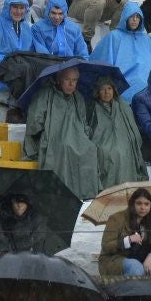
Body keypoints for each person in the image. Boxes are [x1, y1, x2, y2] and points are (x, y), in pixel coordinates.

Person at [23, 65, 101, 200]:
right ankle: (62, 193)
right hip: (53, 137)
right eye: (67, 79)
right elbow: (34, 123)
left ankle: (86, 194)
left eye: (75, 80)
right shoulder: (45, 94)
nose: (71, 84)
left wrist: (84, 135)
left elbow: (83, 123)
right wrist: (49, 131)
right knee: (65, 147)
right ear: (58, 80)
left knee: (90, 149)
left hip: (77, 138)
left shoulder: (78, 98)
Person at [98, 187, 151, 277]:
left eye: (147, 204)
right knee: (135, 267)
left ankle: (148, 291)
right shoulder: (116, 218)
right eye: (139, 203)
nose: (143, 207)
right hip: (115, 259)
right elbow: (106, 246)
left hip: (144, 257)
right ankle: (127, 290)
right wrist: (128, 240)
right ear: (132, 204)